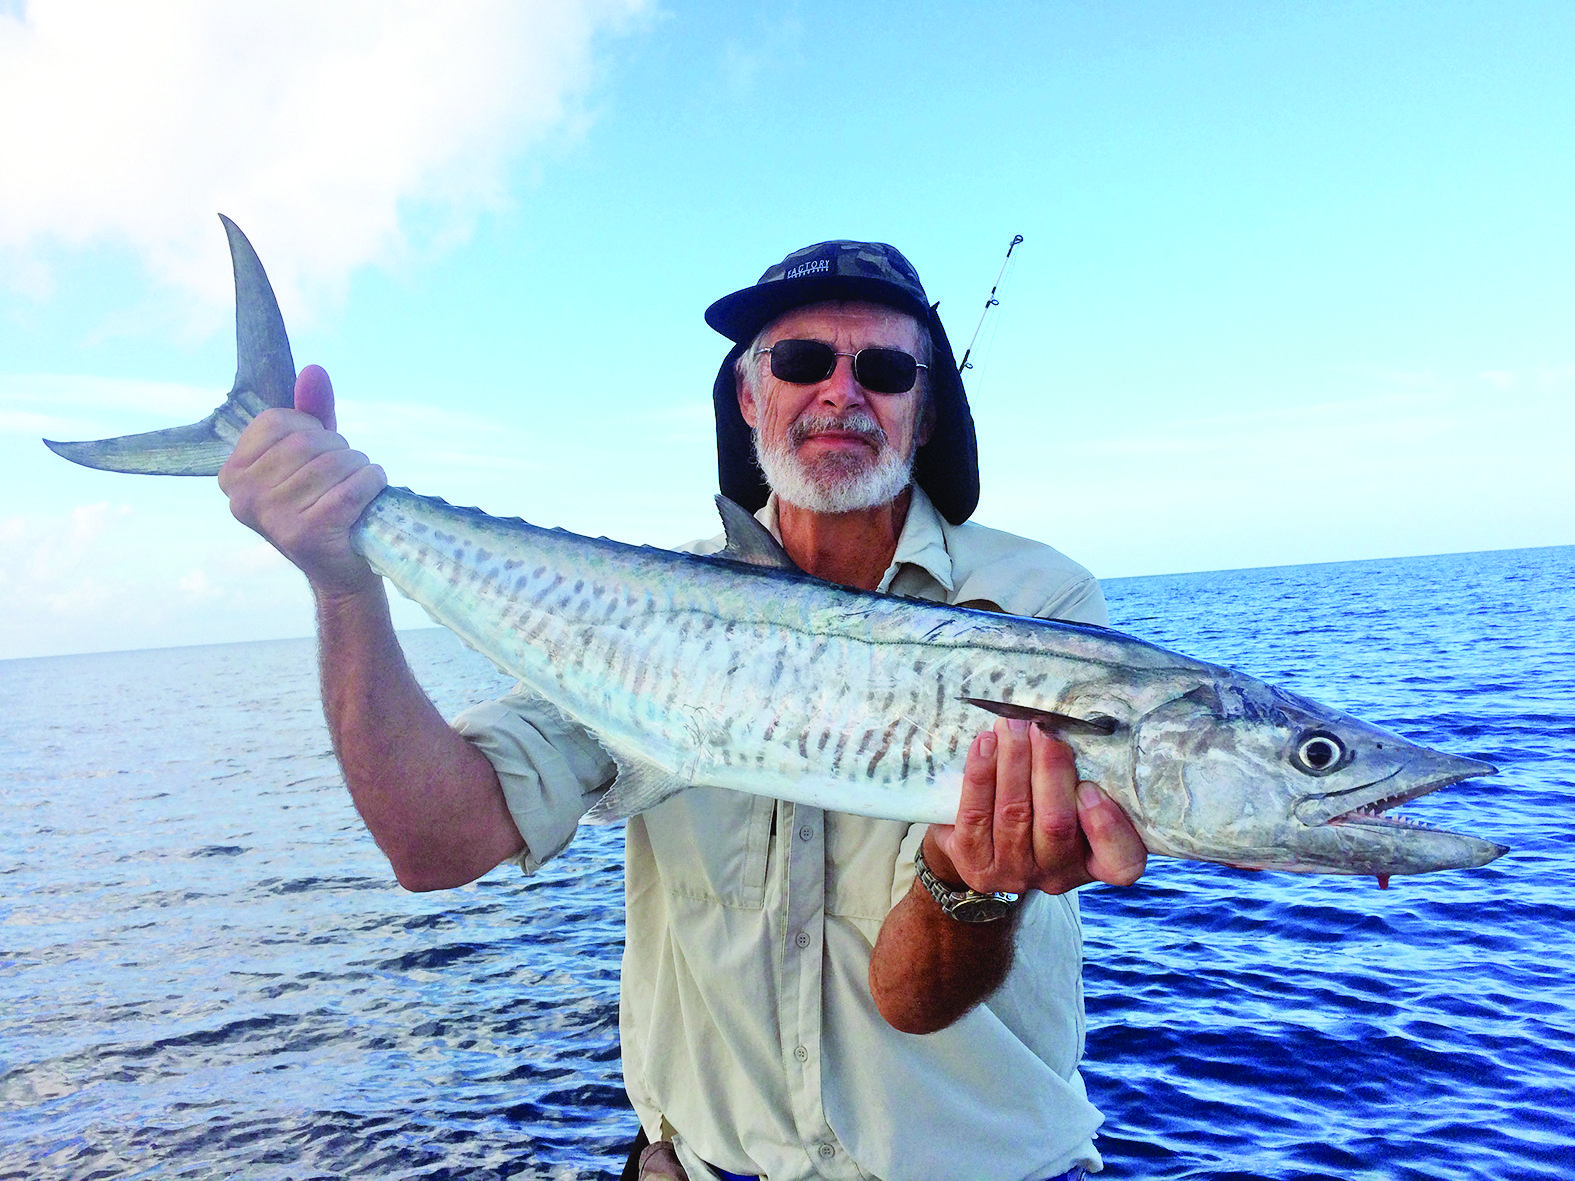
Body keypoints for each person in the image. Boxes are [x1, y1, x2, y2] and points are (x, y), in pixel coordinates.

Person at [218, 239, 1148, 1181]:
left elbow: (909, 996)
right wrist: (343, 585)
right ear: (749, 396)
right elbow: (433, 844)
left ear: (925, 406)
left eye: (883, 368)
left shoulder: (1037, 604)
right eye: (798, 362)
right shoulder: (647, 609)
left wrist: (969, 882)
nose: (841, 392)